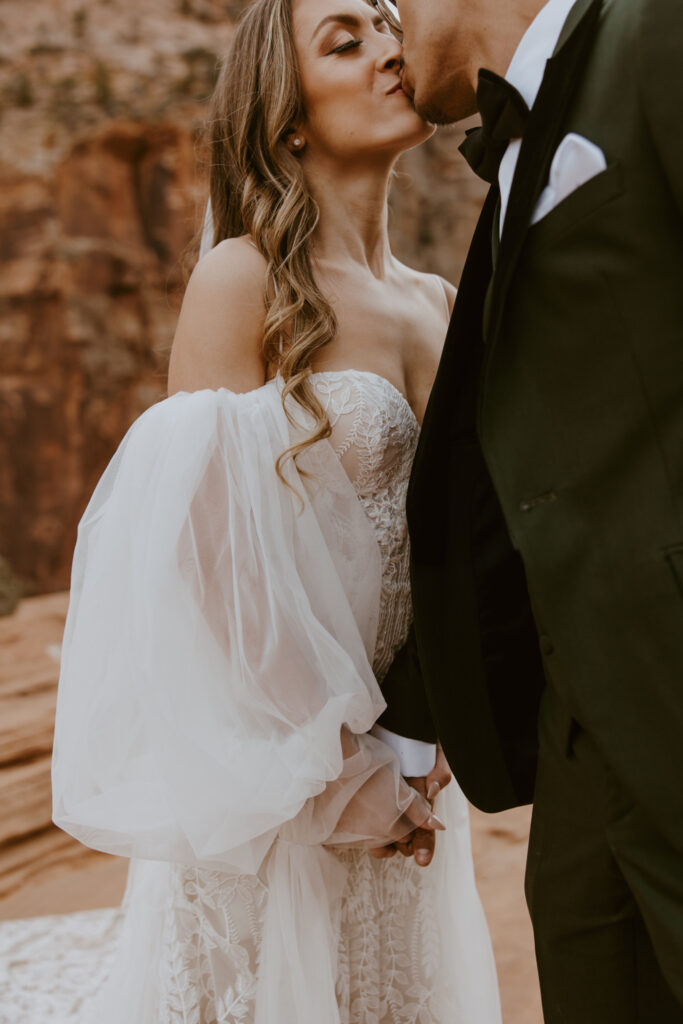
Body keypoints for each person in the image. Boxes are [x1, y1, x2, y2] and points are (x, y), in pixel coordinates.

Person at [50, 1, 502, 1021]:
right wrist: (341, 782)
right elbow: (205, 569)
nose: (389, 49)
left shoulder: (435, 300)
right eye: (344, 40)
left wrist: (423, 758)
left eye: (388, 23)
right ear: (285, 116)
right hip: (283, 794)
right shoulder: (243, 277)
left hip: (418, 783)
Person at [369, 0, 683, 1020]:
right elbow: (495, 480)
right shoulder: (512, 159)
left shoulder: (653, 32)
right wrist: (407, 729)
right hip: (582, 741)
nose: (386, 31)